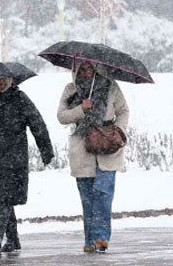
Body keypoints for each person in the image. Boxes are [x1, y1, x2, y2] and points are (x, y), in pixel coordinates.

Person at [0, 77, 54, 253]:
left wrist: (46, 150)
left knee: (3, 198)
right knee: (3, 198)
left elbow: (37, 124)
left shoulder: (19, 98)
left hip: (14, 158)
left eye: (3, 80)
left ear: (9, 81)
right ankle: (13, 240)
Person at [57, 61, 129, 253]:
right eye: (83, 68)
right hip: (82, 148)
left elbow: (123, 111)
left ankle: (101, 238)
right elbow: (62, 116)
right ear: (76, 70)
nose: (87, 71)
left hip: (107, 145)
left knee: (103, 193)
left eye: (90, 68)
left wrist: (118, 130)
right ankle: (90, 240)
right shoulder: (71, 89)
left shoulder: (111, 86)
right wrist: (82, 108)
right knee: (88, 198)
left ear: (97, 69)